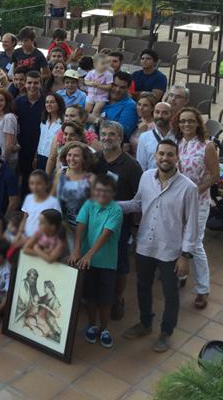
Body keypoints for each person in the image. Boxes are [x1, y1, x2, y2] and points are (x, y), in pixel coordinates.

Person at [118, 140, 200, 353]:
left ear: (177, 157)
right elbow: (138, 204)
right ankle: (145, 324)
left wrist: (185, 256)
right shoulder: (146, 177)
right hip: (145, 244)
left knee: (170, 293)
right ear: (155, 156)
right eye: (161, 154)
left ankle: (166, 331)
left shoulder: (188, 188)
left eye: (170, 154)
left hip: (171, 250)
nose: (165, 158)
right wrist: (112, 205)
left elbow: (192, 224)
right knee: (143, 286)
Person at [91, 120, 143, 322]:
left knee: (119, 264)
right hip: (94, 222)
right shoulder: (95, 160)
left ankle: (118, 298)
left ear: (121, 138)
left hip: (119, 226)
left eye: (111, 134)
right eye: (103, 134)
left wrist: (114, 207)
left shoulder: (131, 166)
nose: (106, 138)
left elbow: (140, 201)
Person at [68, 174, 123, 349]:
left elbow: (105, 235)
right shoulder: (88, 204)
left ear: (113, 193)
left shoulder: (116, 210)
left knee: (105, 300)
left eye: (106, 191)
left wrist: (89, 255)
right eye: (98, 190)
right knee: (90, 297)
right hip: (86, 261)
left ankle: (104, 328)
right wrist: (77, 249)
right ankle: (91, 325)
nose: (101, 194)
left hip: (106, 262)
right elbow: (81, 227)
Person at [173, 108, 220, 310]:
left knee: (195, 244)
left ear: (198, 124)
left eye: (190, 121)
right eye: (183, 121)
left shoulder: (206, 146)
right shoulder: (179, 143)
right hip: (178, 201)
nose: (186, 125)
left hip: (199, 202)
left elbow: (214, 175)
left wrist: (195, 192)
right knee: (179, 239)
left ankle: (203, 289)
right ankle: (182, 273)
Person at [14, 70, 45, 192]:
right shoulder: (18, 102)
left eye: (36, 83)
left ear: (41, 84)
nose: (32, 86)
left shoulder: (46, 102)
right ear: (25, 84)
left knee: (38, 178)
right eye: (30, 82)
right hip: (22, 146)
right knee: (22, 175)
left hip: (40, 147)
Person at [18, 169, 62, 242]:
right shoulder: (28, 198)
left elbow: (57, 224)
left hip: (43, 242)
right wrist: (20, 233)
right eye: (31, 183)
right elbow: (25, 217)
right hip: (26, 238)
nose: (34, 187)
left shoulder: (54, 202)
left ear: (46, 184)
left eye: (39, 183)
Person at [136, 102, 175, 171]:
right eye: (157, 112)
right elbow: (141, 165)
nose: (160, 116)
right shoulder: (144, 137)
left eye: (165, 113)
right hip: (151, 179)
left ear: (171, 115)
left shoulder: (178, 136)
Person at [101, 72, 138, 141]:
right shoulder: (101, 97)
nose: (117, 90)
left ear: (128, 88)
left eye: (122, 87)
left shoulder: (130, 106)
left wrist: (96, 120)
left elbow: (122, 133)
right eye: (114, 85)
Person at [37, 93, 65, 170]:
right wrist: (35, 157)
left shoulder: (63, 123)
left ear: (59, 104)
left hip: (53, 159)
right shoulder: (44, 121)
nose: (49, 104)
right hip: (40, 156)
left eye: (52, 102)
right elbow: (40, 140)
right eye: (47, 102)